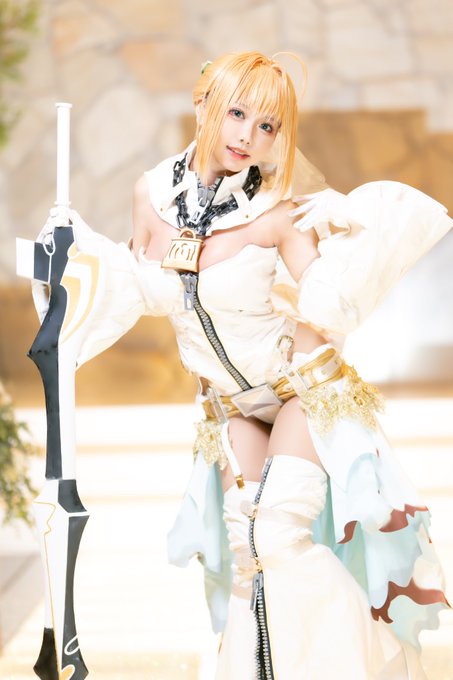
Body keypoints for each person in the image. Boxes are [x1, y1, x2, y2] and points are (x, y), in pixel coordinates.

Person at [33, 52, 449, 678]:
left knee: (277, 535)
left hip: (300, 389)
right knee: (248, 554)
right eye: (237, 114)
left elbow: (328, 309)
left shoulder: (278, 207)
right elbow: (138, 285)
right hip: (227, 403)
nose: (249, 136)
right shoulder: (151, 194)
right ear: (202, 103)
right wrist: (72, 250)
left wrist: (346, 236)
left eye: (268, 126)